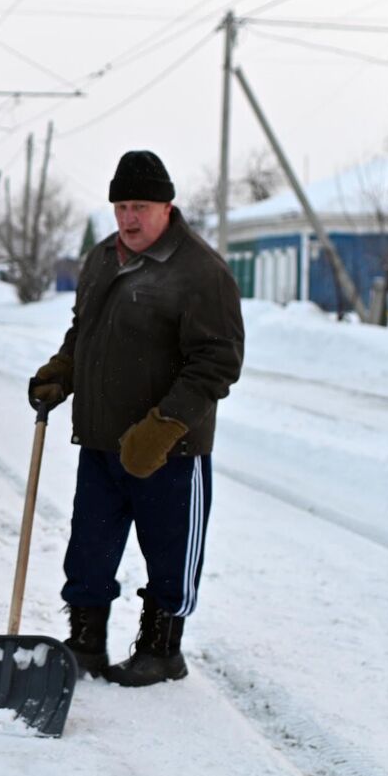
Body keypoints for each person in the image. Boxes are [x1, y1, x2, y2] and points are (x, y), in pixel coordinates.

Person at [29, 150, 244, 687]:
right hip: (101, 438)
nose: (129, 217)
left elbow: (218, 362)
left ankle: (161, 649)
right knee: (89, 547)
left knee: (170, 552)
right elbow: (87, 330)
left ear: (167, 207)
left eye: (140, 206)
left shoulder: (200, 271)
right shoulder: (103, 258)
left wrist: (165, 425)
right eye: (122, 205)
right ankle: (86, 641)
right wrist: (63, 369)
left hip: (169, 450)